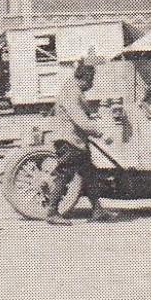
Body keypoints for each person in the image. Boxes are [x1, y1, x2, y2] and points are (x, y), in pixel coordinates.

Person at [47, 60, 115, 225]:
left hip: (76, 141)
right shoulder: (72, 92)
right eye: (91, 81)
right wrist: (101, 133)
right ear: (84, 79)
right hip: (70, 141)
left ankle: (97, 210)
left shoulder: (71, 90)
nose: (91, 85)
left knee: (89, 175)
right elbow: (80, 121)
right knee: (64, 175)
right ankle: (52, 213)